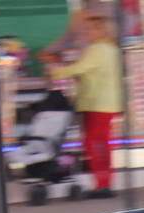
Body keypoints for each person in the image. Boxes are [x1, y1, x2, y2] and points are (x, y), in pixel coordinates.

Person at [51, 13, 122, 199]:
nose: (88, 32)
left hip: (96, 102)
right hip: (108, 103)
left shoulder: (97, 49)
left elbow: (81, 68)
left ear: (101, 30)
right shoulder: (112, 49)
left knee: (94, 144)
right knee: (104, 144)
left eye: (91, 28)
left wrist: (57, 73)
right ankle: (105, 182)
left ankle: (101, 185)